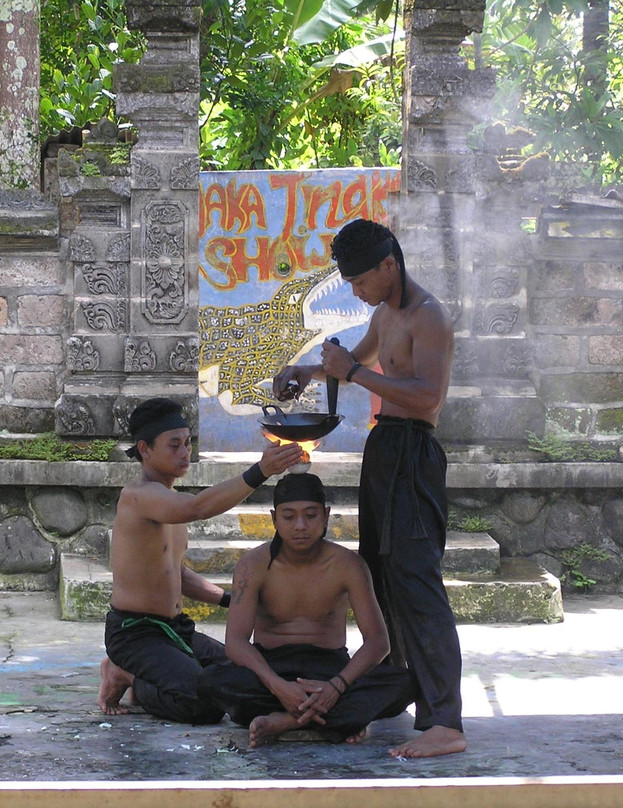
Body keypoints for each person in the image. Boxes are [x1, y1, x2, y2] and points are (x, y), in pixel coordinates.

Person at [272, 218, 467, 758]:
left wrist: (352, 374)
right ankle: (403, 693)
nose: (357, 293)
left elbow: (426, 398)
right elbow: (355, 361)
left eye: (361, 282)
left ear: (388, 265)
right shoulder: (384, 313)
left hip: (415, 452)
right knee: (380, 578)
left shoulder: (431, 318)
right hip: (383, 452)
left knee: (417, 582)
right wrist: (310, 372)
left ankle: (445, 720)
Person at [96, 397, 303, 724]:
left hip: (177, 628)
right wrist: (262, 470)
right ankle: (125, 674)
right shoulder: (138, 496)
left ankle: (149, 675)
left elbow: (175, 573)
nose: (185, 452)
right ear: (145, 449)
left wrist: (228, 600)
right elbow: (197, 508)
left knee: (249, 677)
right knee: (203, 706)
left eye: (187, 443)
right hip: (136, 635)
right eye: (174, 445)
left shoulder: (167, 500)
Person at [197, 473, 415, 748]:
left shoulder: (348, 564)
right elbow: (236, 643)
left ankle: (285, 721)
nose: (300, 526)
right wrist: (279, 687)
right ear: (274, 518)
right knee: (210, 681)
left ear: (326, 516)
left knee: (407, 682)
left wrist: (337, 686)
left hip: (329, 668)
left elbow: (378, 642)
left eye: (310, 515)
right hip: (271, 669)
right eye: (289, 517)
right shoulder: (252, 565)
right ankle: (336, 721)